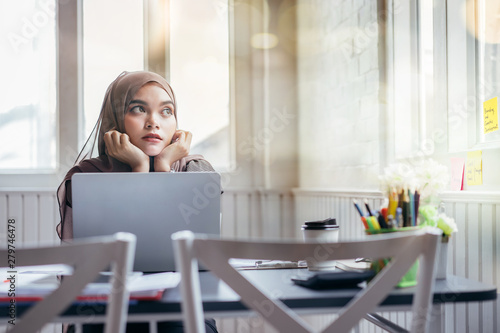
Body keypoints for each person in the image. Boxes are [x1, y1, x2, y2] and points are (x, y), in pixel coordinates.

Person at [56, 71, 218, 333]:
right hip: (101, 308)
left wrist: (164, 167)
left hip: (181, 304)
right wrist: (140, 168)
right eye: (138, 109)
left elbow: (201, 261)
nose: (154, 122)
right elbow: (81, 272)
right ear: (116, 119)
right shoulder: (86, 177)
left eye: (166, 111)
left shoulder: (197, 171)